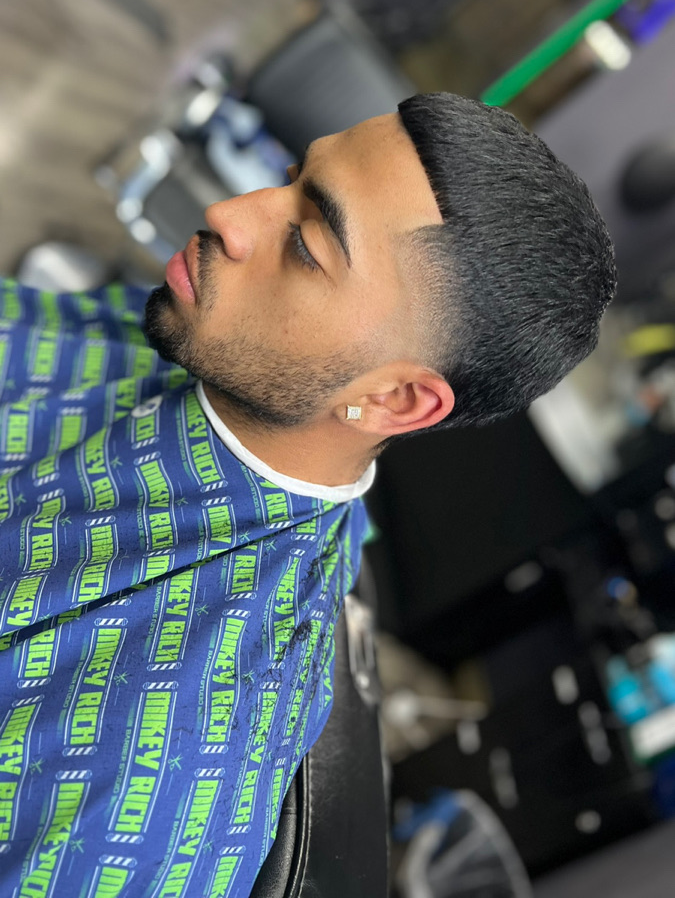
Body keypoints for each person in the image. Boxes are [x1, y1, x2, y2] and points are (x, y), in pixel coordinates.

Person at [0, 93, 615, 897]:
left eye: (305, 245)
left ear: (393, 400)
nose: (229, 214)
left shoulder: (162, 758)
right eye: (290, 178)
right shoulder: (197, 340)